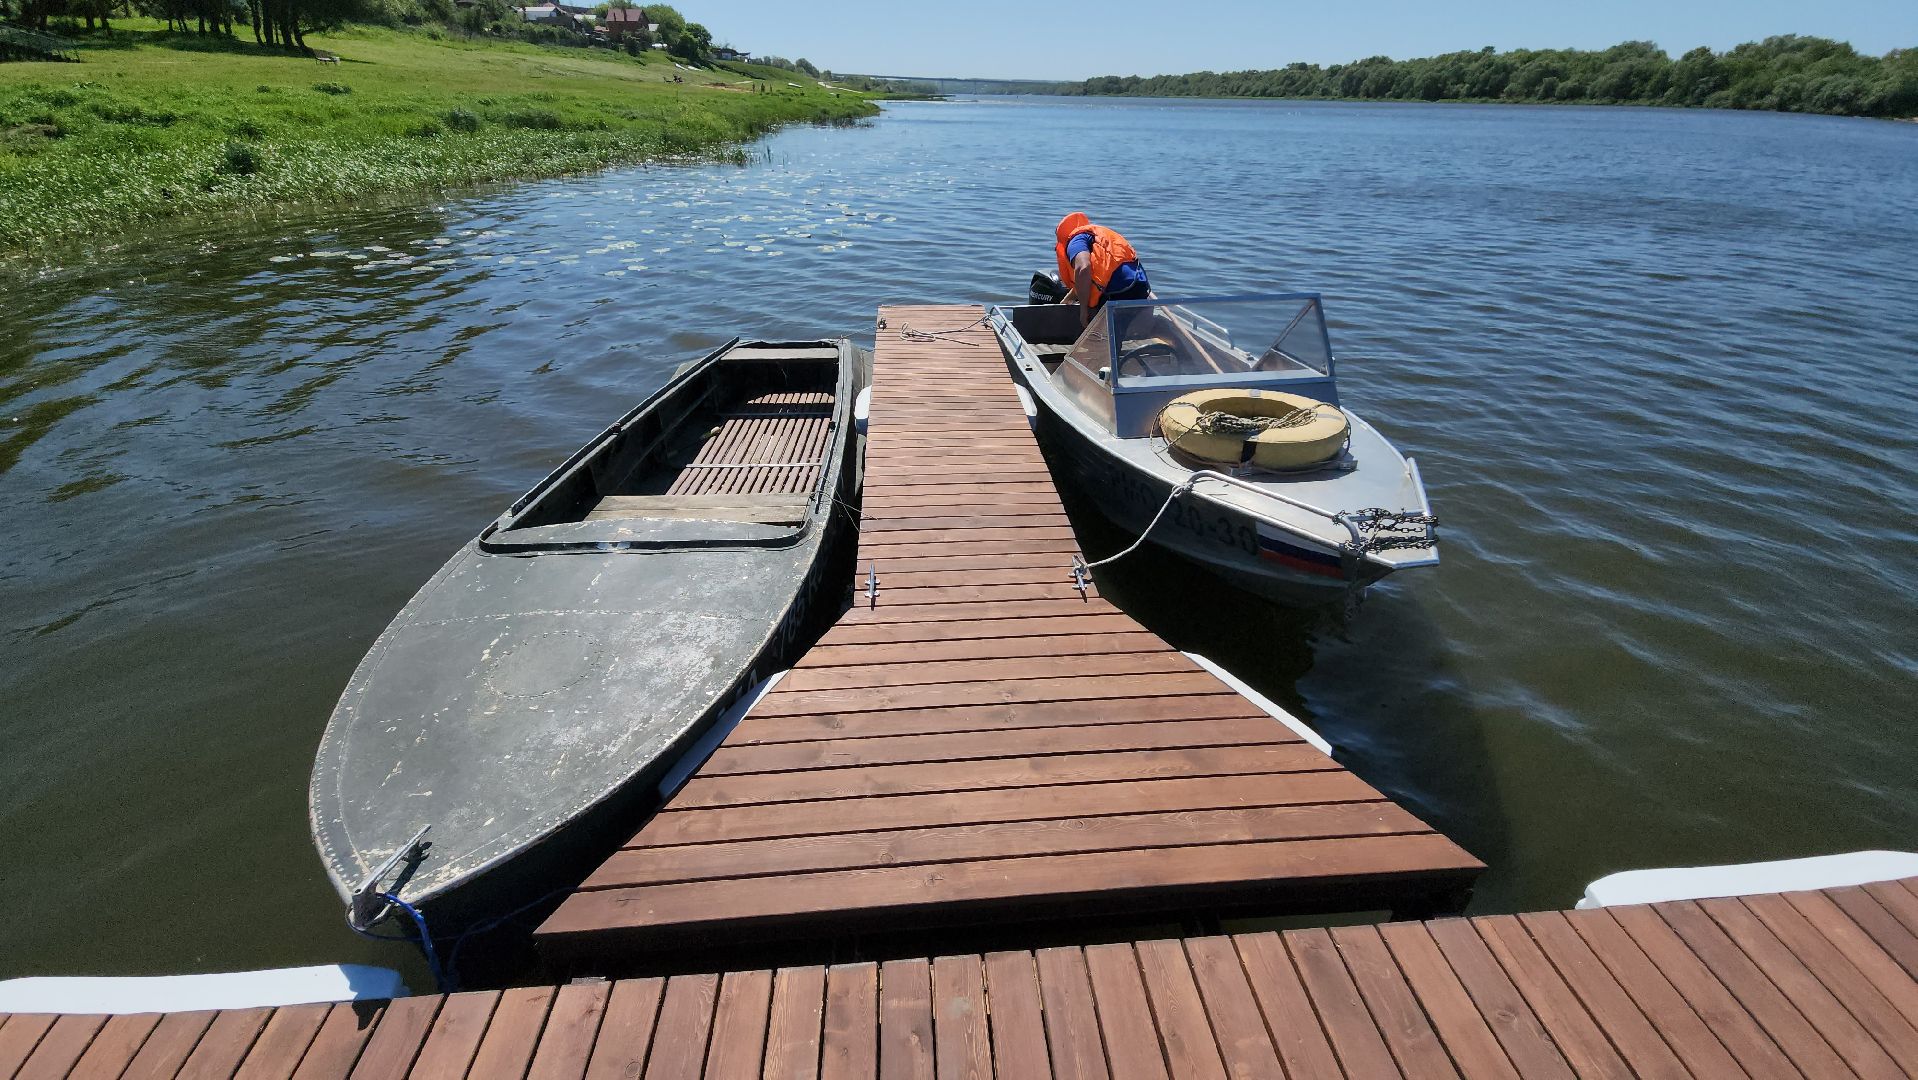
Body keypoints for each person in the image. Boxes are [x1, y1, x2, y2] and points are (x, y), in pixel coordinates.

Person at [1054, 212, 1150, 326]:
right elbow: (1088, 278)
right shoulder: (1098, 234)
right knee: (1135, 329)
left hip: (1118, 291)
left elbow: (1083, 268)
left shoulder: (1075, 241)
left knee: (1105, 333)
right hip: (1139, 284)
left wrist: (1083, 310)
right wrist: (1067, 300)